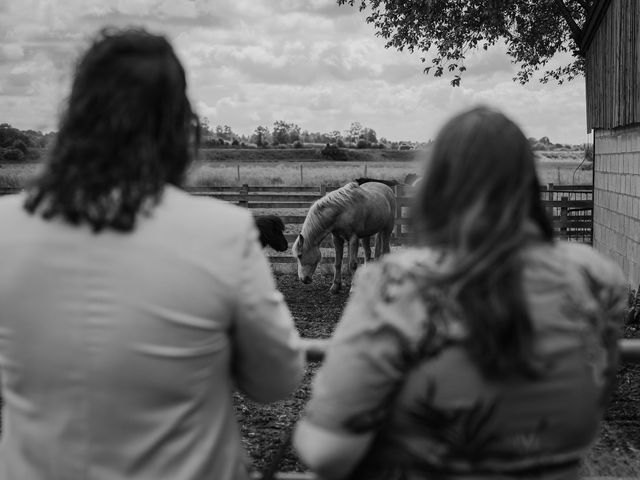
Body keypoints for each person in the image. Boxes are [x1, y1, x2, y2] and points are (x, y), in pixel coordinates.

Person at [0, 28, 304, 480]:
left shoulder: (5, 227)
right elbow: (276, 379)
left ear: (75, 118)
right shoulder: (222, 233)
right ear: (179, 127)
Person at [293, 106, 627, 480]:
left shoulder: (395, 284)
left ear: (436, 188)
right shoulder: (598, 278)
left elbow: (326, 451)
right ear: (528, 184)